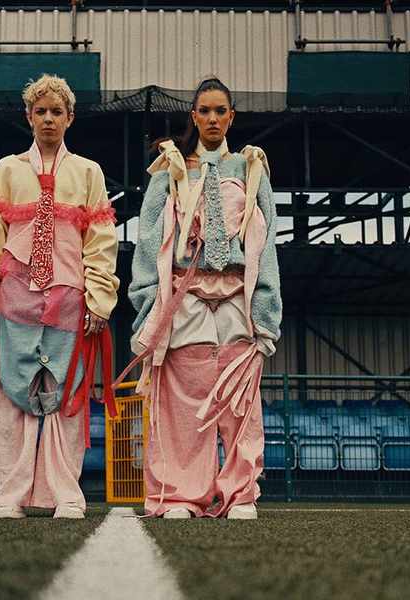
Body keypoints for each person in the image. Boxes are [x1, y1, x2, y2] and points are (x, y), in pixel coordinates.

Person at [123, 77, 282, 519]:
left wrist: (266, 313)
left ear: (232, 117)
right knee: (181, 402)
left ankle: (240, 494)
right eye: (205, 111)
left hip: (237, 297)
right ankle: (179, 496)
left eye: (220, 111)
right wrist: (148, 304)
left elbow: (266, 243)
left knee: (240, 399)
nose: (213, 118)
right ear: (193, 117)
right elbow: (148, 239)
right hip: (184, 296)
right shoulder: (169, 169)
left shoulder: (250, 168)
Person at [0, 74, 119, 519]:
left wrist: (99, 298)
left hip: (69, 300)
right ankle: (8, 497)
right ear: (28, 116)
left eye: (57, 112)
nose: (49, 119)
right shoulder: (8, 169)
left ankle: (64, 494)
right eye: (41, 111)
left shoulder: (88, 172)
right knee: (12, 398)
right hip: (16, 298)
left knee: (66, 397)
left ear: (70, 118)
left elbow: (101, 241)